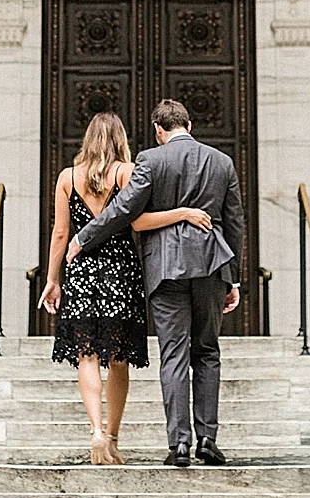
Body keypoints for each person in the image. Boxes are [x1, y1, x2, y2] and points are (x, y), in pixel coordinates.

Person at [68, 98, 244, 468]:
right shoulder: (222, 162)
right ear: (190, 125)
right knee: (208, 352)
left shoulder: (151, 159)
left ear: (159, 131)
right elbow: (235, 223)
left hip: (165, 271)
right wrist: (235, 278)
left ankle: (179, 444)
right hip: (212, 266)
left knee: (174, 355)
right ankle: (207, 439)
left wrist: (84, 237)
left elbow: (124, 210)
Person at [40, 111, 214, 465]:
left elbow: (61, 233)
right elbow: (137, 221)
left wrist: (52, 278)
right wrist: (182, 212)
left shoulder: (67, 178)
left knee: (86, 356)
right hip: (120, 269)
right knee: (118, 360)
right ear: (121, 139)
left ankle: (96, 432)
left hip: (83, 269)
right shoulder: (127, 172)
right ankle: (114, 439)